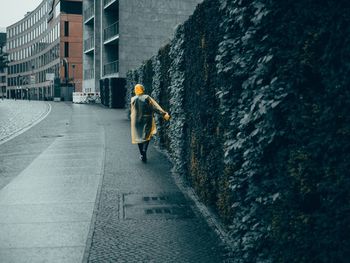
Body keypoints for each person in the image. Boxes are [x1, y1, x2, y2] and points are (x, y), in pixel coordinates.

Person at [130, 84, 170, 162]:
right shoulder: (147, 98)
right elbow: (154, 107)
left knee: (138, 137)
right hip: (147, 119)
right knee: (147, 136)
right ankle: (144, 150)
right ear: (142, 89)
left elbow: (132, 111)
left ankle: (142, 153)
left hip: (136, 120)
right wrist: (164, 114)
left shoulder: (133, 99)